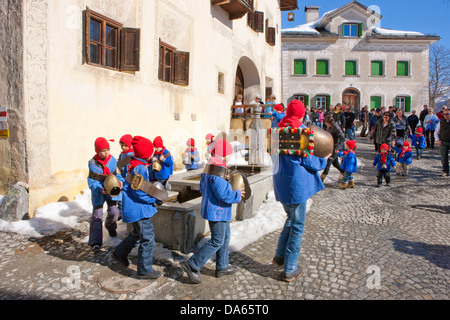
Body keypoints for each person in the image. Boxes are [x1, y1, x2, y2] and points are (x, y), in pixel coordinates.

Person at [271, 99, 330, 282]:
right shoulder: (300, 131)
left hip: (280, 181)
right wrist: (324, 160)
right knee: (297, 226)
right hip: (296, 186)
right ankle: (290, 269)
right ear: (302, 114)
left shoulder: (276, 131)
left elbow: (274, 156)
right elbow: (307, 160)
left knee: (290, 219)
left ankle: (280, 256)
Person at [181, 139, 244, 284]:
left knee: (225, 237)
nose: (229, 157)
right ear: (224, 154)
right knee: (217, 240)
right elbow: (223, 194)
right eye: (229, 154)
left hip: (216, 210)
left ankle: (222, 266)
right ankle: (192, 264)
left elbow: (204, 189)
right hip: (218, 211)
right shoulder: (218, 170)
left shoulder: (210, 166)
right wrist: (237, 195)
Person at [112, 136, 162, 280]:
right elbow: (139, 192)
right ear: (145, 153)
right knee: (148, 238)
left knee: (136, 233)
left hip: (133, 207)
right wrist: (154, 198)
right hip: (138, 209)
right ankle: (145, 270)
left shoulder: (134, 163)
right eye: (150, 151)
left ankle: (120, 252)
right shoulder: (139, 168)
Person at [87, 137, 124, 252]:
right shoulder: (92, 163)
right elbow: (91, 180)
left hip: (112, 190)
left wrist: (120, 181)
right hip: (99, 192)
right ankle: (95, 242)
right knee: (97, 215)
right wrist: (98, 188)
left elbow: (116, 174)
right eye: (103, 150)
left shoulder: (112, 160)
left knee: (114, 212)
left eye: (107, 149)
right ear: (97, 151)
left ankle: (111, 227)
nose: (106, 152)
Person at [321, 115, 346, 183]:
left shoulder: (336, 127)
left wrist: (337, 148)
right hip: (330, 147)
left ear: (330, 122)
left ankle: (321, 178)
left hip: (335, 148)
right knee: (335, 164)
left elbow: (342, 138)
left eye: (326, 123)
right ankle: (344, 173)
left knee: (328, 162)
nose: (325, 124)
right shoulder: (328, 127)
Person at [434, 109, 450, 176]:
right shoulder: (441, 122)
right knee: (444, 158)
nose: (445, 116)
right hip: (443, 142)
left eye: (447, 114)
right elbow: (436, 132)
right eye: (444, 114)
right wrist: (437, 140)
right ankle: (445, 171)